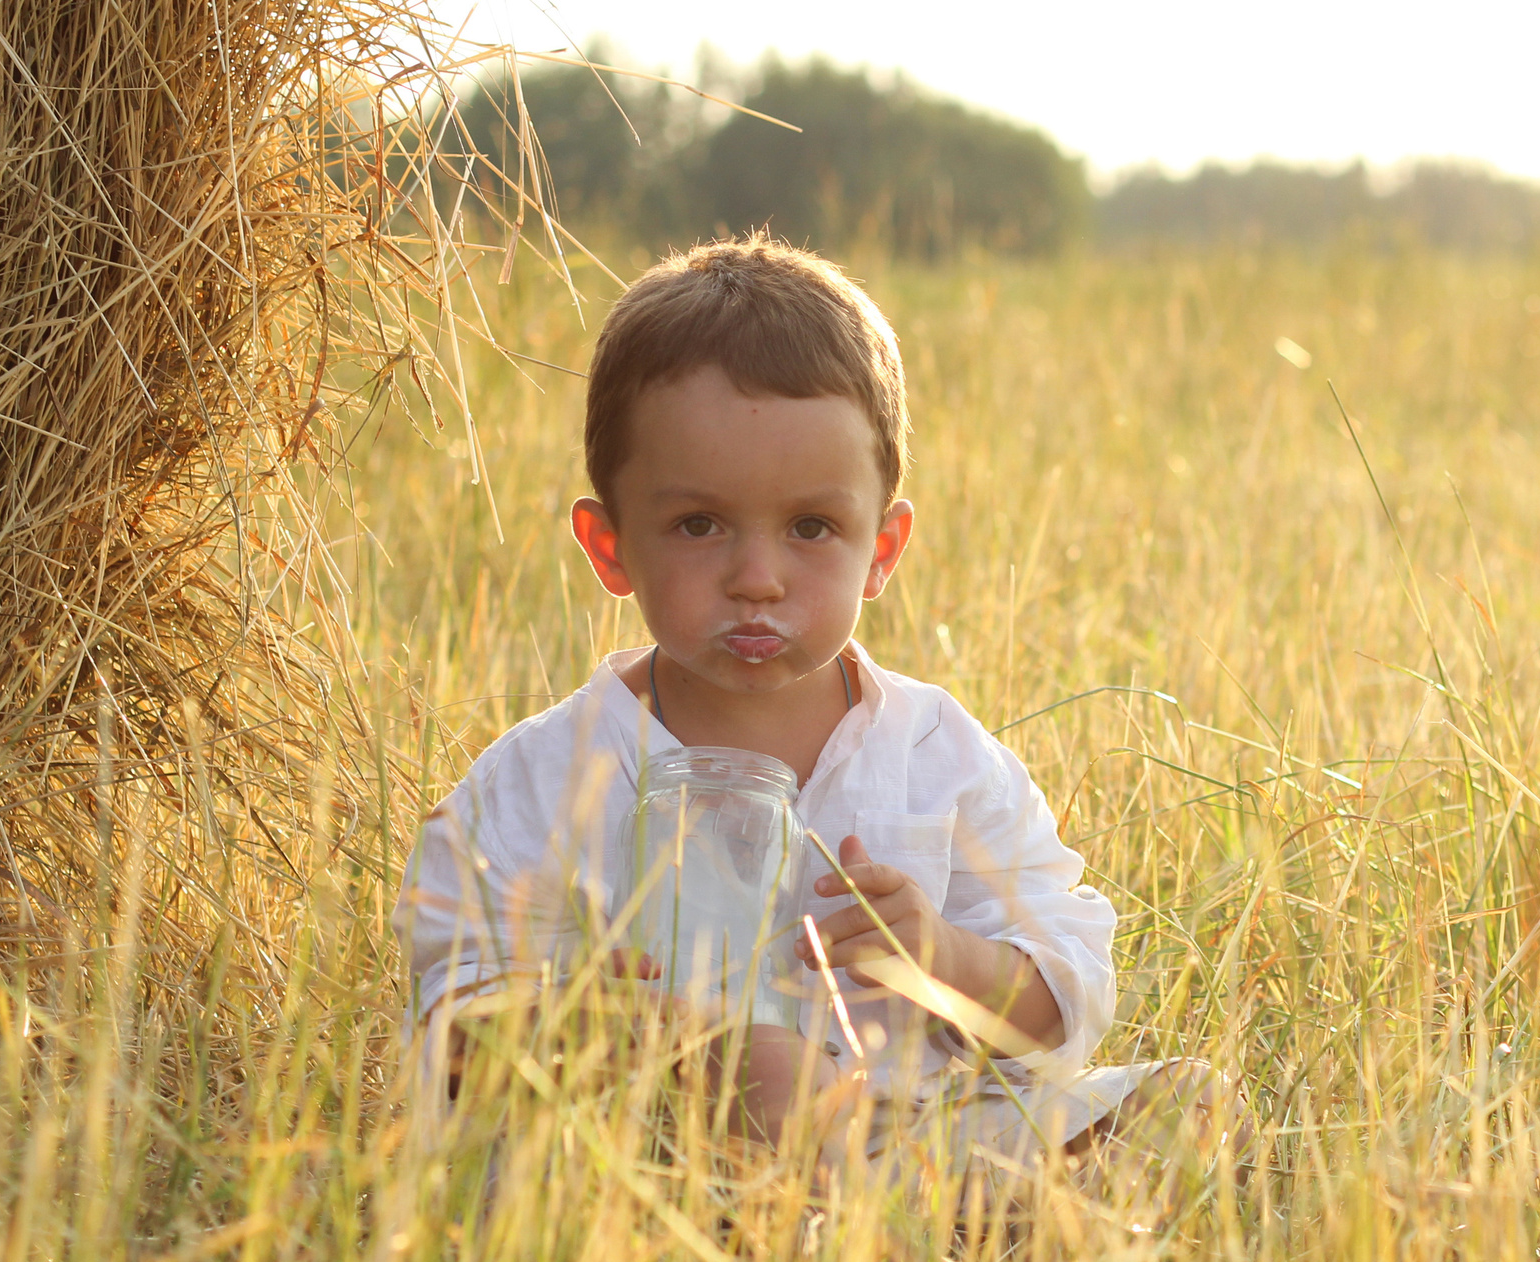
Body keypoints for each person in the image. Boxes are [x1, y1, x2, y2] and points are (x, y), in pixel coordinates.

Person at [398, 235, 1209, 1190]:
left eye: (811, 528)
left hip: (911, 1138)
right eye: (699, 525)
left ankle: (915, 1227)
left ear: (883, 548)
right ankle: (811, 1247)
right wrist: (573, 1026)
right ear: (610, 544)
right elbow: (449, 1016)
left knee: (1184, 1101)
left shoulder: (935, 753)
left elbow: (1065, 989)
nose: (757, 578)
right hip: (646, 1166)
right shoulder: (547, 776)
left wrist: (944, 955)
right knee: (761, 1073)